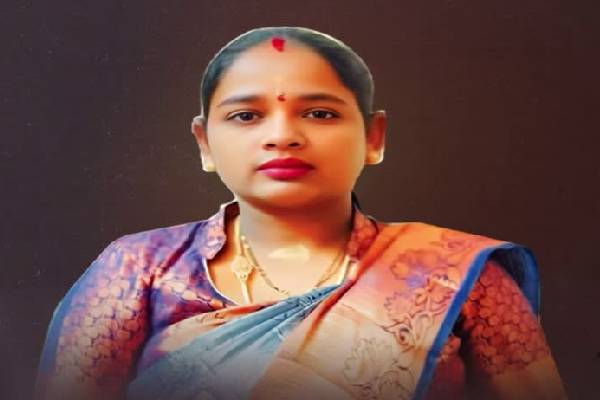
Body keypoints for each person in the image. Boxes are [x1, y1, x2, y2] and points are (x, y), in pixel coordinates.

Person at [36, 27, 566, 400]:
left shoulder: (457, 276)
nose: (283, 135)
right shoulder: (139, 270)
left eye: (319, 112)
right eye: (247, 115)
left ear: (373, 136)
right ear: (205, 143)